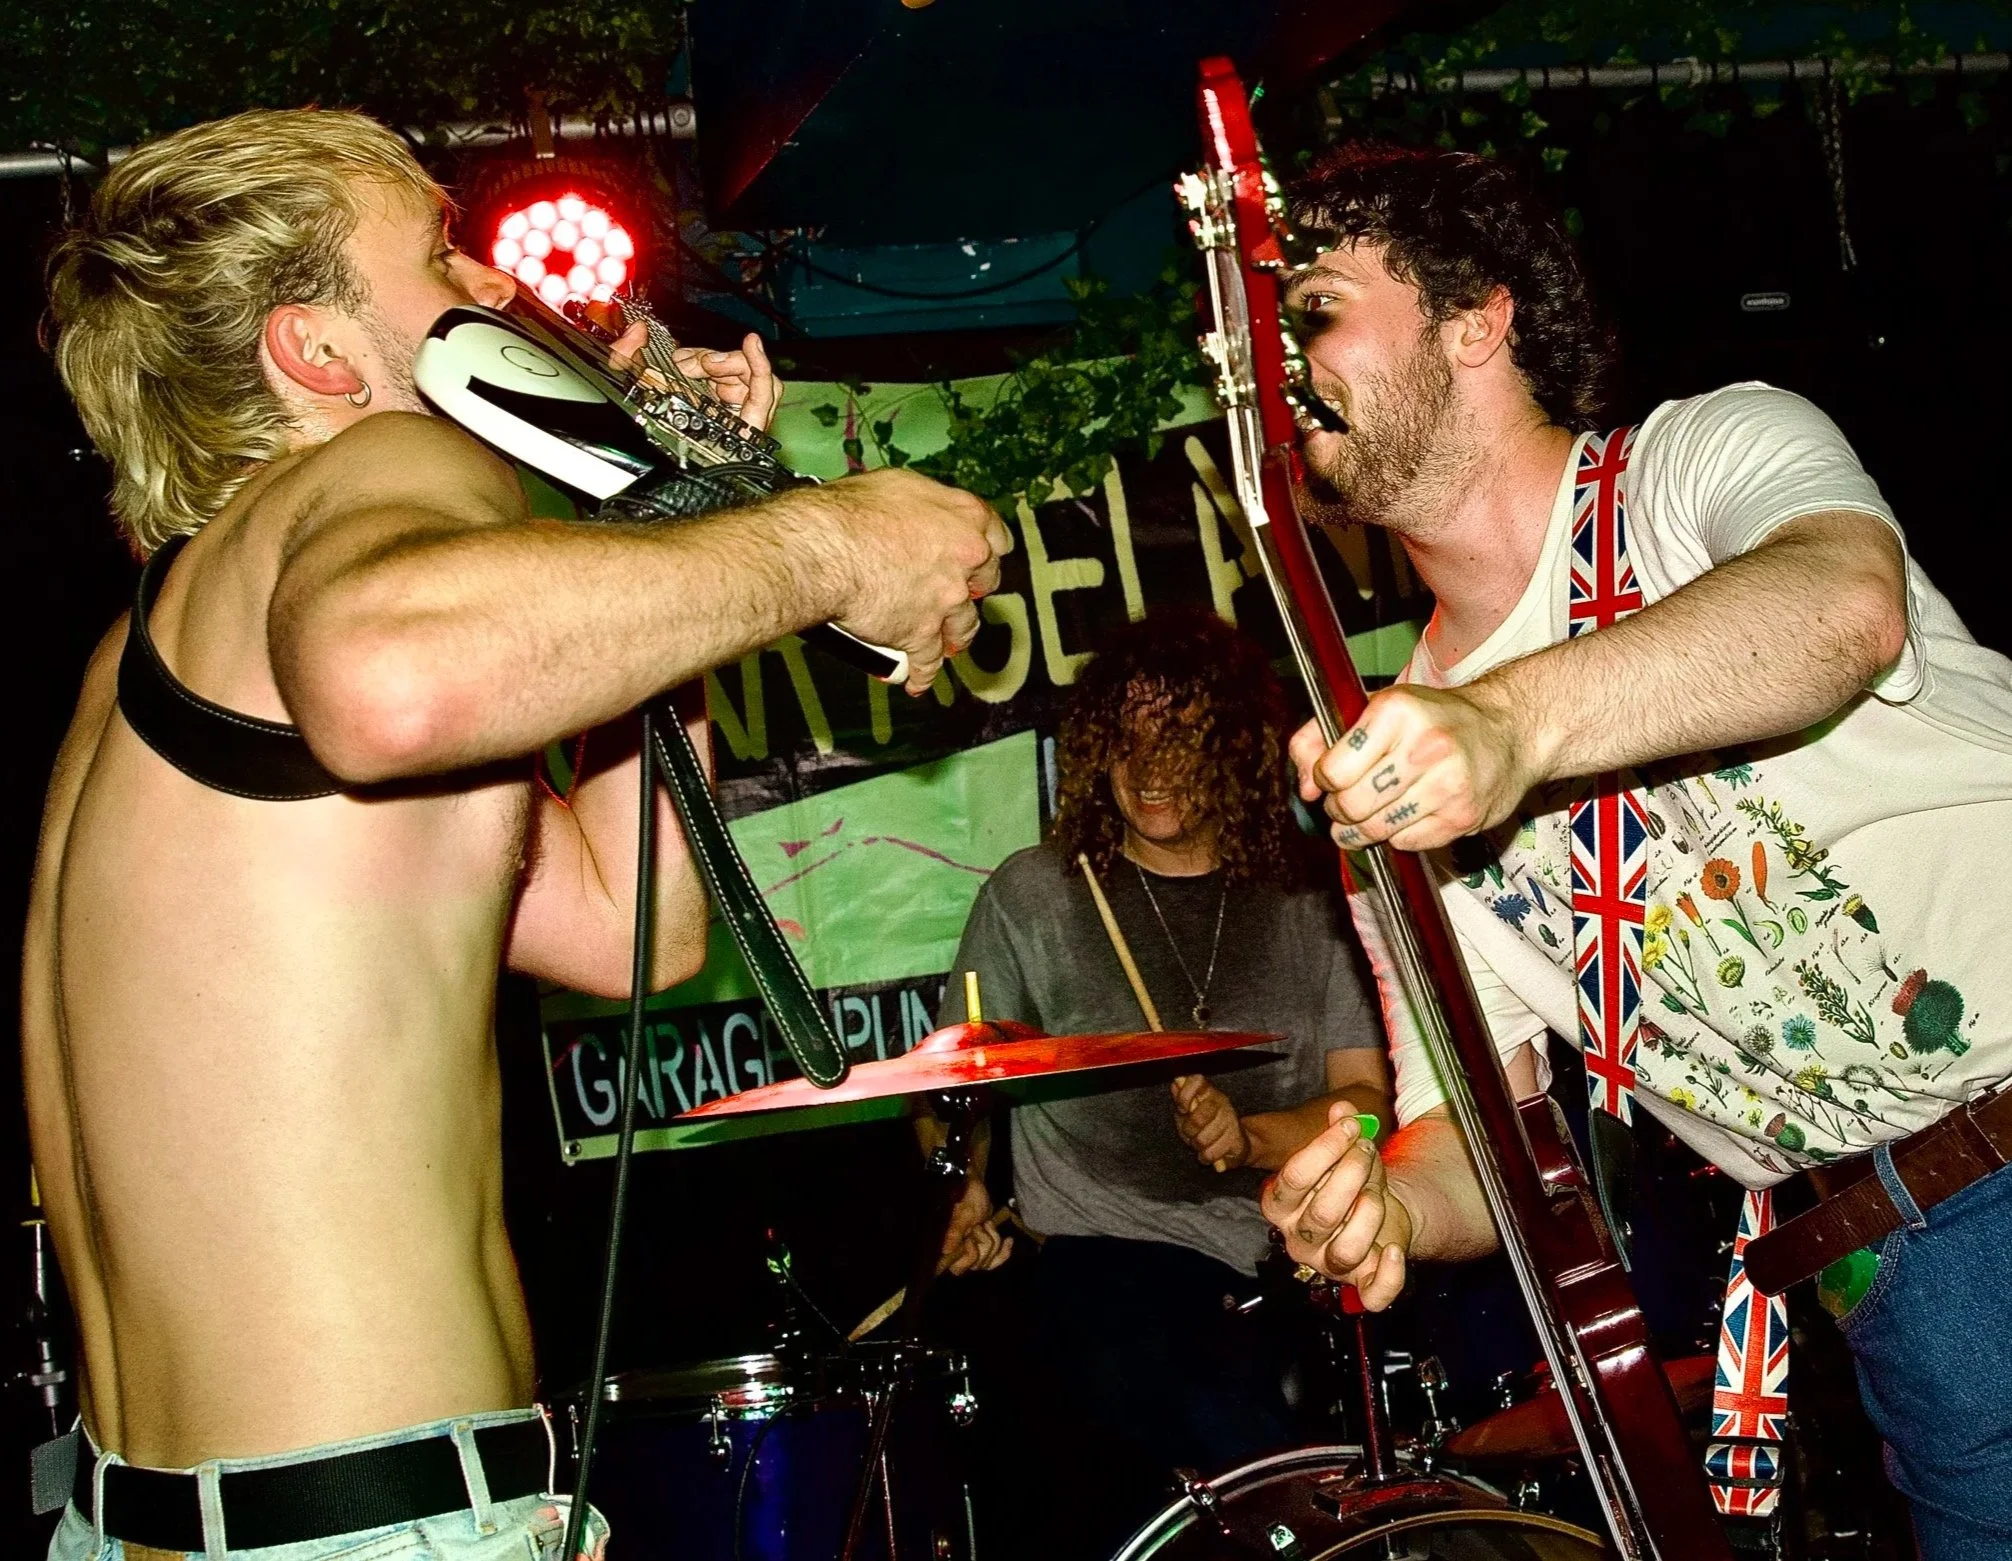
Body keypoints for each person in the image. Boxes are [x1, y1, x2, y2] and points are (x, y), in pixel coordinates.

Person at [25, 108, 1008, 1561]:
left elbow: (635, 921)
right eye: (437, 253)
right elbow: (390, 678)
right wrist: (831, 543)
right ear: (318, 352)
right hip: (373, 1521)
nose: (493, 282)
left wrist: (658, 509)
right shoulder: (373, 462)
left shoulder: (148, 654)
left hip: (158, 1519)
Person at [1258, 142, 2012, 1559]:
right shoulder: (1391, 779)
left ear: (1475, 317)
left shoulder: (1699, 459)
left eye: (1313, 308)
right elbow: (1472, 1137)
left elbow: (1841, 608)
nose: (1278, 364)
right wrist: (1388, 1208)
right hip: (1896, 1278)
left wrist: (1510, 722)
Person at [931, 608, 1390, 1558]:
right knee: (1192, 1387)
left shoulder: (1309, 897)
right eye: (1128, 734)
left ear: (1236, 749)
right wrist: (963, 1181)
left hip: (1294, 1254)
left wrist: (1252, 1135)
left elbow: (1372, 1102)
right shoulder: (1036, 894)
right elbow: (955, 1088)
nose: (1148, 764)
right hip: (1107, 1259)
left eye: (1179, 734)